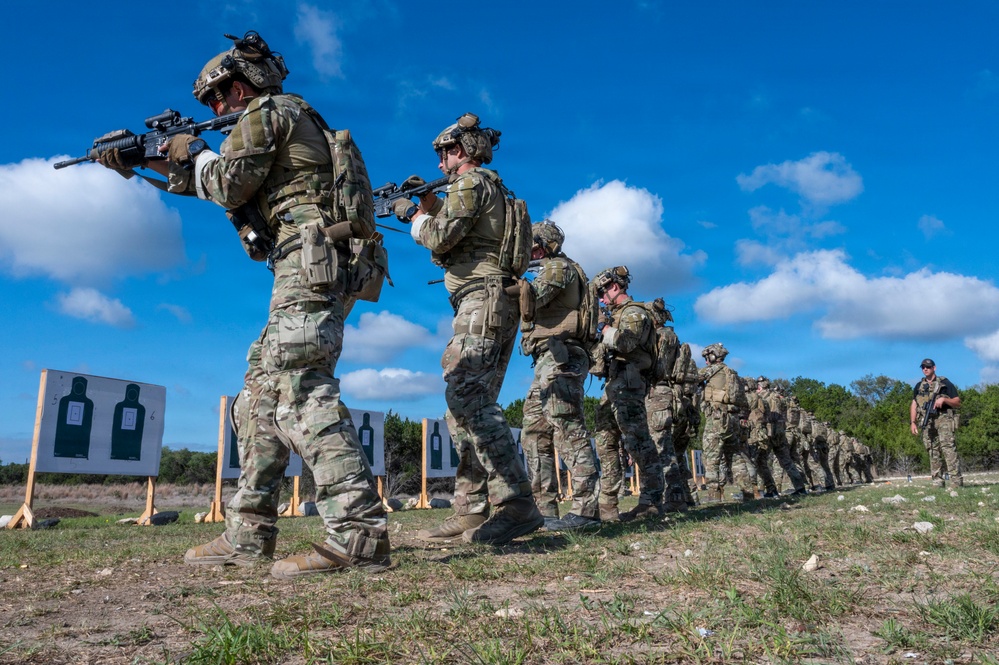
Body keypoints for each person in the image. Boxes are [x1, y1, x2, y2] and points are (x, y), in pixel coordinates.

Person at [97, 31, 389, 578]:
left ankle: (359, 532)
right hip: (306, 259)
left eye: (218, 96)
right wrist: (146, 163)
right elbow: (215, 181)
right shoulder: (289, 119)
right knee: (258, 390)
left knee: (300, 386)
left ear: (242, 85)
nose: (214, 109)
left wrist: (194, 150)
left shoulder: (270, 110)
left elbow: (228, 182)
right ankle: (248, 532)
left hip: (308, 257)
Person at [395, 113, 543, 544]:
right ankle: (471, 507)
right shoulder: (490, 188)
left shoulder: (472, 183)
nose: (440, 166)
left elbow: (441, 237)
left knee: (467, 399)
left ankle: (516, 504)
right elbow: (466, 233)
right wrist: (429, 203)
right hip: (491, 301)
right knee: (466, 408)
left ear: (457, 151)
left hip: (482, 300)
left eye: (442, 155)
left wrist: (413, 217)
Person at [519, 221, 601, 530]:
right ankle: (545, 508)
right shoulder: (554, 267)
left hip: (561, 356)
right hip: (548, 358)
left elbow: (533, 297)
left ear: (541, 246)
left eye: (530, 245)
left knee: (566, 426)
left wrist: (503, 284)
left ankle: (586, 510)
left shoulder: (557, 268)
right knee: (534, 431)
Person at [590, 266, 665, 521]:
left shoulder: (634, 313)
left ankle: (651, 502)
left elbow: (625, 343)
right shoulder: (616, 315)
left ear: (615, 286)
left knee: (638, 442)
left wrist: (602, 328)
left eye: (602, 292)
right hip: (614, 382)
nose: (601, 298)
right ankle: (607, 505)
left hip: (629, 383)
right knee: (605, 440)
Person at [643, 298, 690, 512]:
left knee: (661, 445)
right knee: (666, 445)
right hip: (669, 392)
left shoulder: (659, 336)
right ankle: (677, 496)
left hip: (657, 391)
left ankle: (673, 497)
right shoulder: (673, 337)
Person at [697, 343, 755, 501]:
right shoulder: (733, 373)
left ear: (713, 356)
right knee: (735, 455)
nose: (706, 360)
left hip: (717, 418)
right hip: (733, 418)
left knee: (711, 456)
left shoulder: (712, 370)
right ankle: (748, 492)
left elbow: (693, 377)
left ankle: (714, 495)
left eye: (706, 357)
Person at [910, 358, 963, 487]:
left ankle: (956, 481)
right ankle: (937, 481)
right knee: (933, 451)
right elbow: (914, 404)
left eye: (928, 367)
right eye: (923, 367)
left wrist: (944, 400)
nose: (925, 369)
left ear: (934, 368)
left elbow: (957, 402)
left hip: (943, 419)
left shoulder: (944, 383)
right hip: (927, 421)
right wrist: (913, 422)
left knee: (948, 449)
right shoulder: (919, 386)